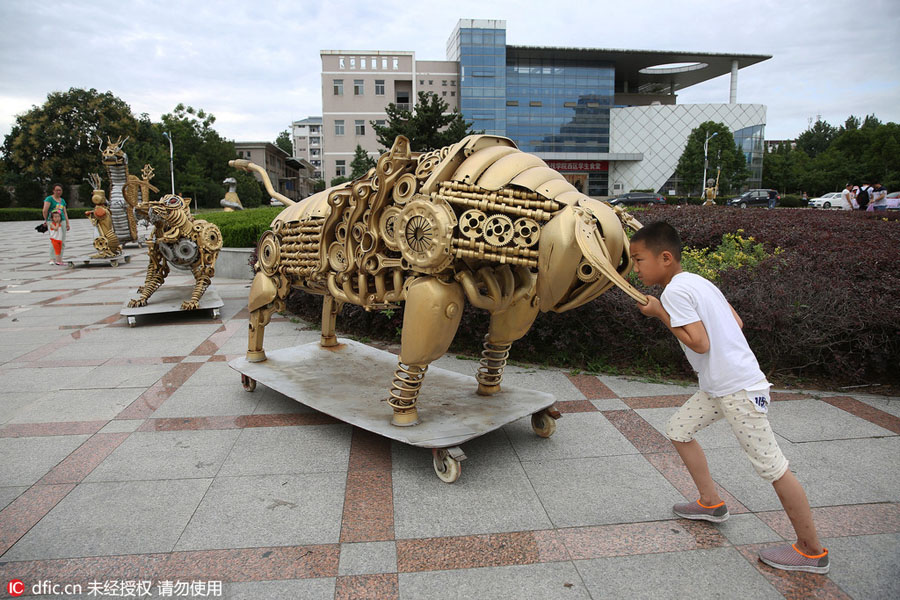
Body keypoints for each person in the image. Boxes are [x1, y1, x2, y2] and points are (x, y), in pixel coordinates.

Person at [630, 221, 829, 574]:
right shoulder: (699, 282)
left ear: (664, 258)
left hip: (737, 390)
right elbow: (735, 322)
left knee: (773, 468)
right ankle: (710, 502)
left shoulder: (674, 292)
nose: (635, 268)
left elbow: (700, 342)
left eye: (638, 259)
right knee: (679, 429)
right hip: (720, 387)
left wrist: (660, 312)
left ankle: (811, 551)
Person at [42, 183, 70, 261]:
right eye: (57, 190)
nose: (58, 192)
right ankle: (52, 258)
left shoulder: (62, 200)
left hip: (62, 221)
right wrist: (47, 220)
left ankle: (59, 258)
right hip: (52, 221)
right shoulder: (49, 199)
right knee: (54, 239)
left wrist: (67, 223)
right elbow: (45, 210)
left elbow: (65, 212)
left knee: (62, 240)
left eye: (60, 190)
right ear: (53, 191)